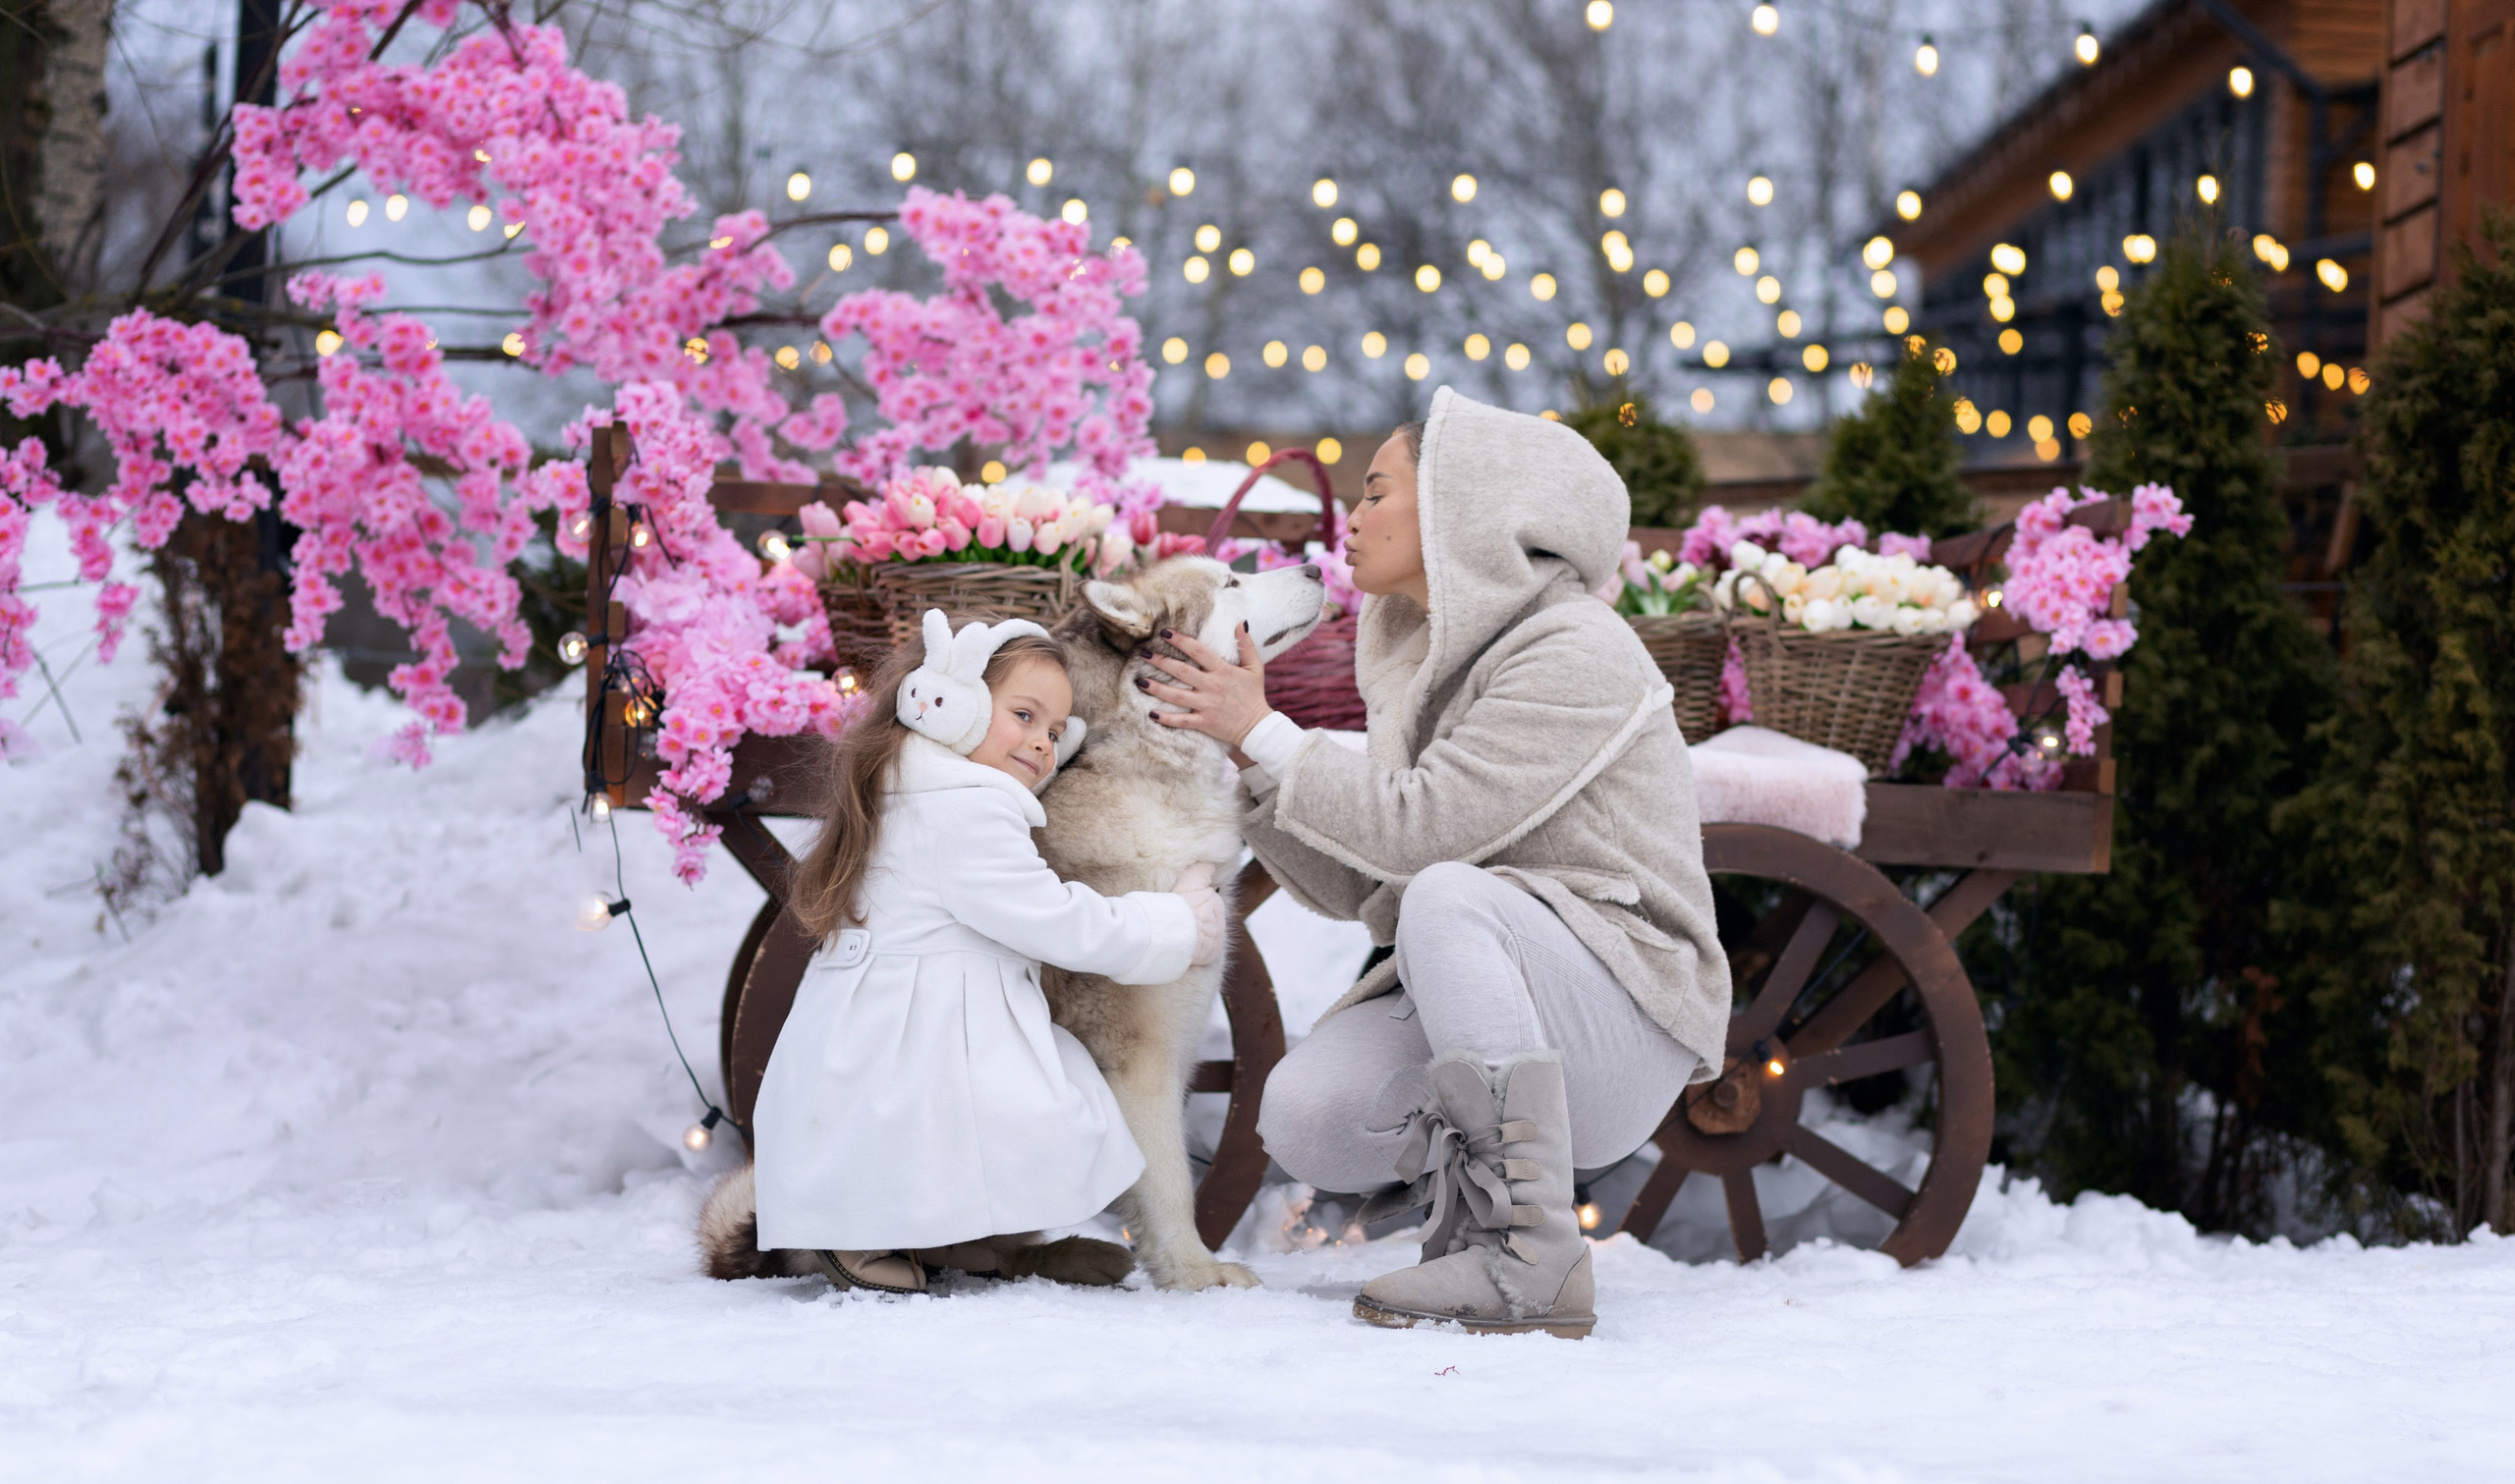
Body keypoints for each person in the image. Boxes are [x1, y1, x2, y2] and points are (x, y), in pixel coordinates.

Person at [1144, 387, 1730, 1338]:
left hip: (1622, 1009)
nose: (1354, 514)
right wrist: (1252, 755)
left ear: (1463, 505)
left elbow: (1425, 835)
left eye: (1377, 490)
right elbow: (1357, 883)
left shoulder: (1573, 646)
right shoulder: (1424, 664)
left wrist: (1265, 728)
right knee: (1306, 1112)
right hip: (1498, 990)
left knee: (1452, 894)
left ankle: (1528, 1252)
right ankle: (1473, 1233)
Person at [754, 609, 1226, 1294]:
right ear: (947, 707)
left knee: (982, 1112)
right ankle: (852, 1238)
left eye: (1057, 730)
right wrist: (1175, 925)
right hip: (910, 1037)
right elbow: (1059, 922)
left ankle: (964, 1237)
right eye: (1025, 716)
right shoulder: (965, 811)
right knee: (1026, 1100)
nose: (1042, 743)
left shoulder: (916, 785)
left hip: (902, 1019)